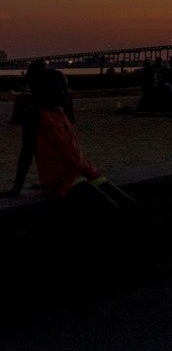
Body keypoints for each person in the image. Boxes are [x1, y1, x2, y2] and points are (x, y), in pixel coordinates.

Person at [1, 62, 154, 282]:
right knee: (108, 210)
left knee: (130, 206)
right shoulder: (35, 115)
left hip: (84, 171)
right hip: (62, 178)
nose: (66, 92)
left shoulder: (60, 111)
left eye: (66, 86)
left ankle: (141, 262)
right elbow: (27, 153)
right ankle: (120, 268)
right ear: (44, 90)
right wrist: (17, 187)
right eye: (61, 88)